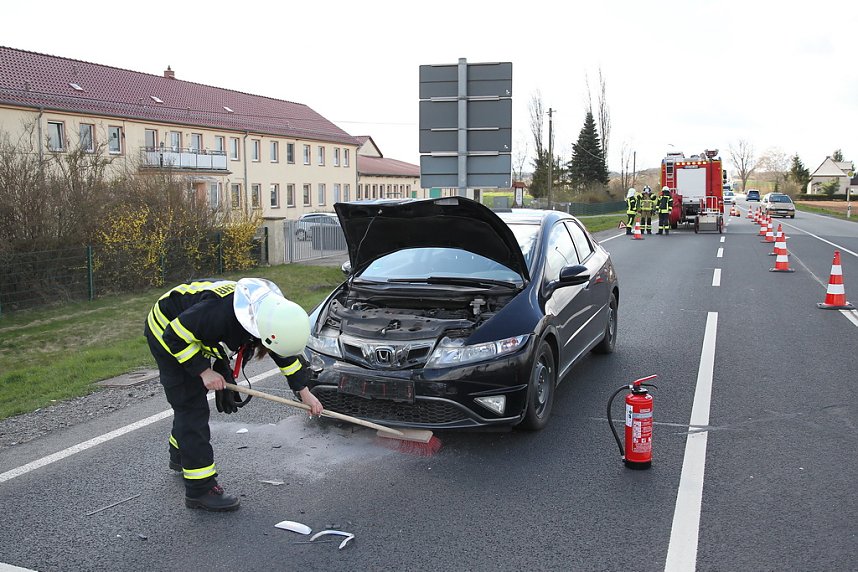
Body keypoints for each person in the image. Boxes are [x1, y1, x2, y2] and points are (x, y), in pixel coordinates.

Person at [145, 278, 323, 512]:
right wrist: (203, 371)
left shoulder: (270, 315)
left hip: (191, 330)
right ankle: (200, 490)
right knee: (191, 406)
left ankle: (181, 454)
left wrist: (304, 393)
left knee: (192, 404)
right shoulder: (218, 313)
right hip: (167, 330)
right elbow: (175, 335)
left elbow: (283, 353)